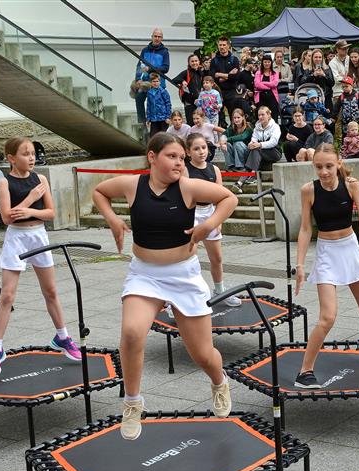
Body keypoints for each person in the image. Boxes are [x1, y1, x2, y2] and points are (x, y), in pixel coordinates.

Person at [92, 132, 237, 440]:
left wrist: (208, 225)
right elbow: (99, 192)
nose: (178, 163)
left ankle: (219, 380)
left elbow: (229, 198)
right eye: (172, 156)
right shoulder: (133, 185)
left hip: (183, 275)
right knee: (132, 333)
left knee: (202, 353)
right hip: (144, 274)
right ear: (152, 157)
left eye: (181, 158)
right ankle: (132, 403)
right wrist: (114, 221)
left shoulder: (187, 187)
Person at [0, 137, 80, 379]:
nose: (32, 157)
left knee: (51, 291)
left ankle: (63, 336)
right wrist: (27, 201)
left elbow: (50, 213)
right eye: (26, 153)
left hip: (38, 236)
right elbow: (7, 217)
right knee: (7, 294)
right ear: (11, 158)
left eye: (33, 153)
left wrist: (31, 210)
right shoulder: (4, 182)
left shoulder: (42, 179)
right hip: (16, 237)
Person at [293, 144, 359, 388]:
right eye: (318, 167)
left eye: (328, 166)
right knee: (327, 317)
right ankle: (305, 371)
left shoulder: (351, 185)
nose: (324, 172)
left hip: (350, 248)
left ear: (338, 163)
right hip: (326, 252)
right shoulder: (308, 190)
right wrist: (300, 265)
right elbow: (305, 229)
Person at [183, 133, 242, 306]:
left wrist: (219, 221)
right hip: (192, 213)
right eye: (196, 148)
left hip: (210, 212)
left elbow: (222, 198)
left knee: (216, 258)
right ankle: (183, 295)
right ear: (188, 152)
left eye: (203, 147)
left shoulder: (214, 169)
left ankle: (219, 290)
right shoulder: (185, 170)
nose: (201, 152)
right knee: (187, 258)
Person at [235, 106, 280, 187]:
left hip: (274, 152)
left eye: (263, 115)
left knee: (256, 150)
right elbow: (254, 139)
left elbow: (273, 142)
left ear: (269, 115)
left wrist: (259, 145)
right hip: (261, 153)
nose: (260, 117)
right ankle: (242, 181)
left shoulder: (275, 127)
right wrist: (251, 144)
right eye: (259, 115)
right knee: (253, 150)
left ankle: (249, 177)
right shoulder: (257, 127)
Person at [133, 28, 169, 123]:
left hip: (158, 83)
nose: (157, 38)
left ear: (162, 38)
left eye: (159, 37)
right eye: (155, 36)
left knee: (157, 105)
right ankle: (142, 122)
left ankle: (157, 124)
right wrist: (137, 79)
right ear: (151, 37)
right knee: (139, 98)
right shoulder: (145, 50)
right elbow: (139, 65)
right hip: (145, 82)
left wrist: (150, 68)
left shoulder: (164, 51)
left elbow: (165, 68)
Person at [210, 36, 241, 128]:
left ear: (228, 46)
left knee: (233, 113)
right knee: (219, 115)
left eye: (224, 45)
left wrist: (220, 75)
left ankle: (234, 130)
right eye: (220, 45)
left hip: (231, 91)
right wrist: (228, 74)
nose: (222, 47)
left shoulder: (234, 59)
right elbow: (213, 77)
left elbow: (236, 77)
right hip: (218, 91)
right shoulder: (214, 61)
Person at [172, 54, 203, 124]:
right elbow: (174, 80)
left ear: (199, 61)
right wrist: (182, 81)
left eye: (196, 61)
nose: (194, 63)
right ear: (189, 63)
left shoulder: (201, 73)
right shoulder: (186, 73)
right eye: (192, 61)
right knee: (191, 123)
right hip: (189, 103)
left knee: (200, 124)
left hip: (200, 103)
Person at [254, 54, 280, 121]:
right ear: (262, 63)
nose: (267, 63)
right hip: (260, 97)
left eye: (268, 62)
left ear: (271, 63)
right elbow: (257, 84)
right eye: (265, 62)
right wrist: (268, 87)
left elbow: (274, 84)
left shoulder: (275, 73)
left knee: (273, 115)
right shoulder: (258, 73)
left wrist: (262, 83)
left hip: (272, 96)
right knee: (261, 116)